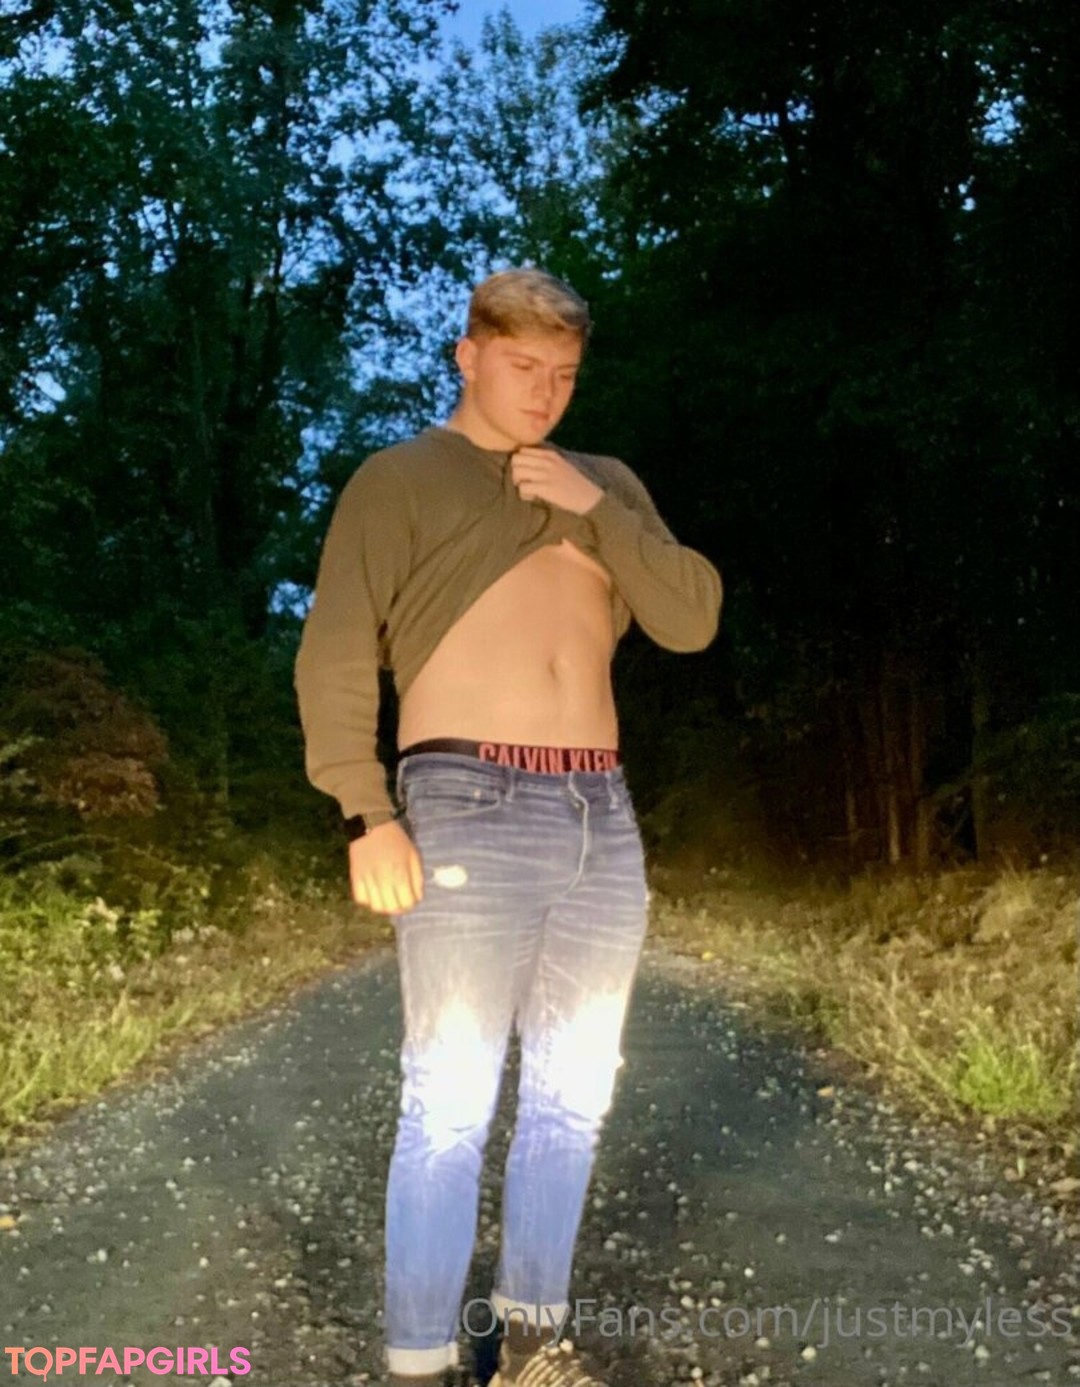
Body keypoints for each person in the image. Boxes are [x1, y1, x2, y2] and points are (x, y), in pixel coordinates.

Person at [294, 267, 722, 1387]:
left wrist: (596, 509)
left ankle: (531, 1344)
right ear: (469, 354)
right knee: (448, 1102)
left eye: (564, 374)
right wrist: (365, 809)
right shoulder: (399, 478)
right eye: (523, 365)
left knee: (573, 1099)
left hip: (600, 812)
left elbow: (690, 617)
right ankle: (420, 1360)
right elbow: (335, 648)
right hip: (465, 799)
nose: (544, 392)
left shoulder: (604, 482)